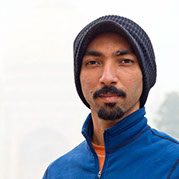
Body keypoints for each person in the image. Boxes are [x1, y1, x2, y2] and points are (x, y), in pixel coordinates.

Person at [42, 15, 179, 179]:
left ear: (145, 75)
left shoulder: (173, 163)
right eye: (93, 62)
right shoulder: (58, 172)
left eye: (125, 61)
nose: (107, 77)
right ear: (78, 77)